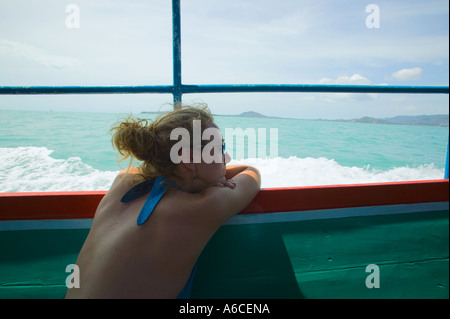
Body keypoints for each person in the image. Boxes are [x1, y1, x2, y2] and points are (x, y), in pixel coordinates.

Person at [65, 105, 261, 298]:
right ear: (189, 160)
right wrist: (212, 179)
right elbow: (251, 175)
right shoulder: (197, 208)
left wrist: (206, 172)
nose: (227, 157)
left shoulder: (123, 181)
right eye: (220, 148)